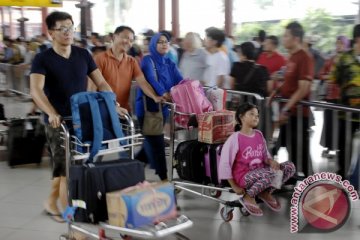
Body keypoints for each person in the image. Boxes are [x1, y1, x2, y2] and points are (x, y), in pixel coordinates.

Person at [30, 11, 120, 223]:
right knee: (68, 174)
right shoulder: (42, 59)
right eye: (62, 28)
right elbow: (36, 90)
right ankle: (73, 221)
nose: (68, 32)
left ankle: (50, 203)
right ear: (51, 32)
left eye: (71, 27)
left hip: (83, 120)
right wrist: (51, 113)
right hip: (58, 124)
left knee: (66, 170)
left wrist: (112, 103)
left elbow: (102, 82)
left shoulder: (83, 55)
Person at [219, 103, 295, 216]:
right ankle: (248, 196)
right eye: (252, 114)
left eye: (257, 115)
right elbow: (225, 164)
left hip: (263, 173)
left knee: (289, 167)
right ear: (242, 117)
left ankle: (265, 192)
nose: (256, 117)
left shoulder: (259, 134)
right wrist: (234, 186)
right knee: (272, 173)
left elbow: (265, 156)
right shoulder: (234, 139)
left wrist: (271, 161)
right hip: (244, 176)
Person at [135, 32, 183, 181]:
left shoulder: (169, 62)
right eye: (160, 42)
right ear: (153, 44)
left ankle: (132, 168)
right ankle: (164, 178)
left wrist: (192, 90)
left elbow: (180, 81)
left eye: (166, 42)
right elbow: (150, 79)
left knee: (150, 142)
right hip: (147, 109)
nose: (164, 44)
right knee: (156, 142)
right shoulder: (147, 60)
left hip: (162, 109)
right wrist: (164, 93)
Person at [271, 21, 314, 178]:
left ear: (296, 38)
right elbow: (288, 82)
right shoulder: (291, 57)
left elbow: (303, 88)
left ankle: (311, 182)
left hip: (297, 113)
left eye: (286, 36)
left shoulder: (305, 58)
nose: (283, 38)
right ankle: (291, 177)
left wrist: (286, 108)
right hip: (289, 112)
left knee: (299, 150)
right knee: (286, 146)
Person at [94, 26, 162, 113]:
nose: (128, 42)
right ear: (114, 37)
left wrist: (154, 96)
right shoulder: (100, 59)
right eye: (126, 38)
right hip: (103, 110)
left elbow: (142, 82)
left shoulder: (132, 61)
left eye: (131, 40)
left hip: (123, 111)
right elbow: (92, 88)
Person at [329, 25, 360, 178]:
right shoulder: (344, 58)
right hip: (347, 112)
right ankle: (343, 174)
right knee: (344, 145)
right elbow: (334, 78)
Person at [319, 36, 350, 156]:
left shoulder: (348, 60)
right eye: (337, 43)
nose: (338, 46)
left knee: (340, 123)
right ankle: (329, 146)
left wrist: (333, 77)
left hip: (342, 97)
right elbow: (321, 74)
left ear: (346, 45)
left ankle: (338, 149)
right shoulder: (331, 60)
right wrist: (330, 77)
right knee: (329, 122)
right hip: (330, 96)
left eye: (341, 44)